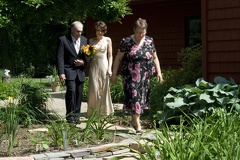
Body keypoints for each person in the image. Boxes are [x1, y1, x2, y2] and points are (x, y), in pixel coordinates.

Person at [111, 18, 163, 134]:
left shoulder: (149, 41)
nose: (141, 35)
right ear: (134, 30)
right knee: (135, 98)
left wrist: (159, 72)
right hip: (131, 76)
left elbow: (155, 58)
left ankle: (133, 120)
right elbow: (118, 58)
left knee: (141, 99)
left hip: (145, 76)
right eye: (138, 32)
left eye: (143, 32)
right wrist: (113, 74)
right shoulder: (126, 41)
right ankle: (138, 125)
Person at [56, 21, 88, 123]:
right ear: (72, 30)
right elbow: (59, 58)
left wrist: (83, 62)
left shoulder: (84, 40)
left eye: (81, 32)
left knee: (79, 94)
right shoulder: (63, 40)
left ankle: (77, 116)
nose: (80, 34)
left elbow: (87, 57)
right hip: (68, 70)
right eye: (78, 31)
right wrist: (61, 72)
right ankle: (70, 116)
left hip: (80, 72)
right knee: (71, 91)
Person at [87, 21, 114, 117]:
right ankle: (94, 112)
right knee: (94, 88)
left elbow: (110, 56)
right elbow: (88, 56)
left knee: (104, 88)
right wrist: (87, 54)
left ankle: (105, 112)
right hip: (94, 65)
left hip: (104, 65)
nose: (100, 33)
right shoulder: (91, 41)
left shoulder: (108, 40)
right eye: (98, 30)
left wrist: (110, 69)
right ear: (95, 30)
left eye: (102, 31)